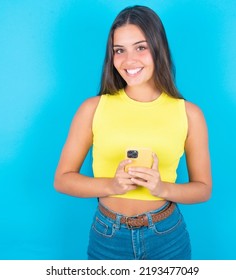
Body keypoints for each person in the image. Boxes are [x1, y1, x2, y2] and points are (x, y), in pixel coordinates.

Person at [54, 5, 211, 260]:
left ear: (158, 48)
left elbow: (202, 188)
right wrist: (111, 185)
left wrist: (163, 188)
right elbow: (62, 179)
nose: (129, 61)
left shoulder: (190, 114)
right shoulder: (92, 109)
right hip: (108, 236)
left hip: (166, 236)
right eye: (119, 50)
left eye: (141, 47)